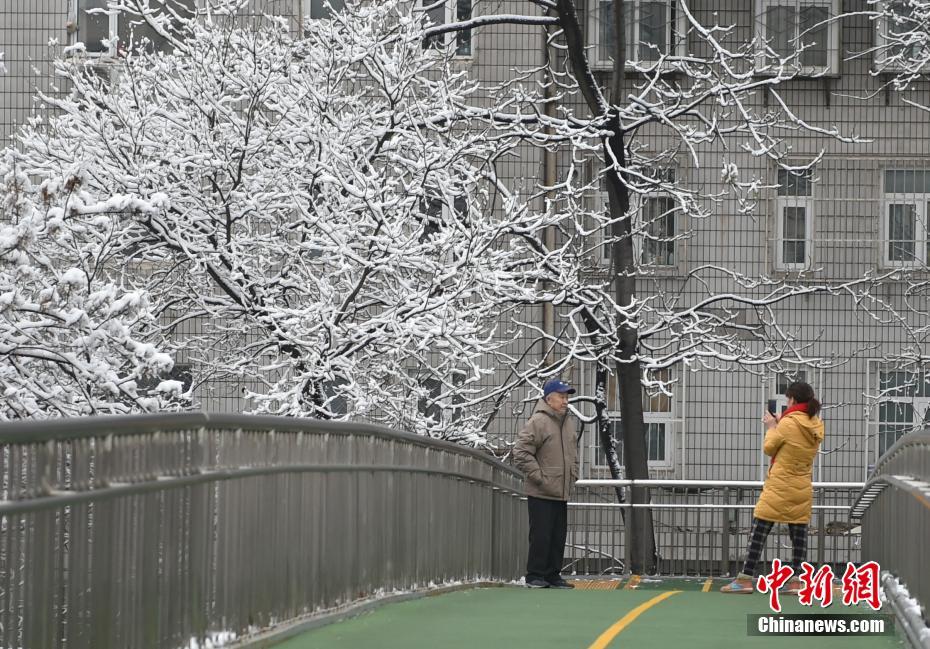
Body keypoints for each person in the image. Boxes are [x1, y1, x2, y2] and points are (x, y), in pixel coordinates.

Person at [721, 381, 825, 594]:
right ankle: (796, 582)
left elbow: (770, 448)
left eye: (788, 399)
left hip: (779, 485)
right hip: (802, 485)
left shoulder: (788, 423)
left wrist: (771, 426)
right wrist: (781, 423)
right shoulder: (814, 423)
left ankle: (745, 579)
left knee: (759, 531)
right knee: (799, 535)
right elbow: (794, 441)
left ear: (793, 399)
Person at [513, 377, 579, 589]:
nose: (565, 401)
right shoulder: (539, 421)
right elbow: (521, 452)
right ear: (549, 399)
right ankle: (535, 575)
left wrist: (573, 474)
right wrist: (539, 477)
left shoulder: (567, 422)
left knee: (558, 535)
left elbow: (572, 453)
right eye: (561, 396)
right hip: (542, 490)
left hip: (561, 490)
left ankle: (553, 574)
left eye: (566, 396)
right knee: (541, 535)